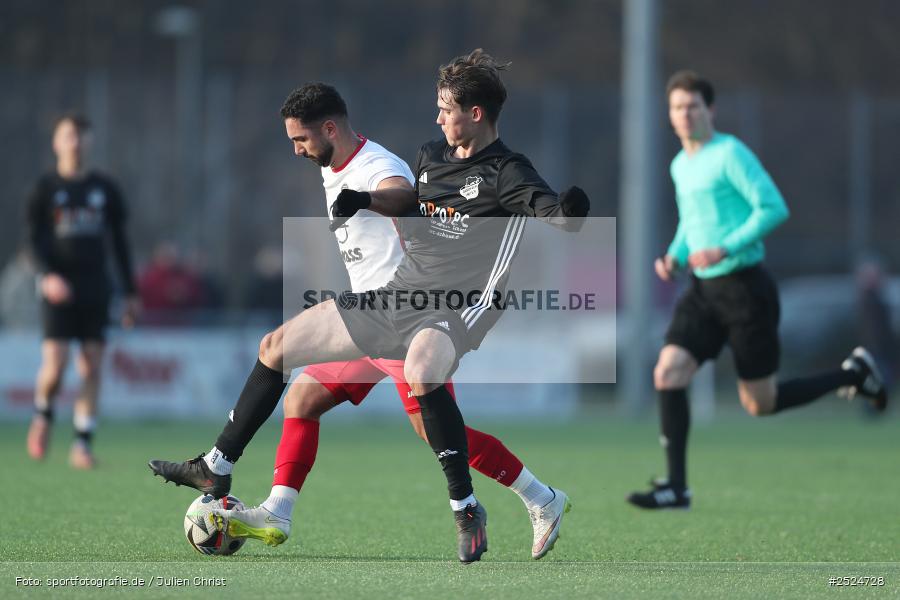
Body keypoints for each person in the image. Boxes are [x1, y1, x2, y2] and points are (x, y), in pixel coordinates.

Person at [150, 50, 589, 563]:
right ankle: (245, 487)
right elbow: (412, 201)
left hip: (447, 309)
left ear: (474, 113)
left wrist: (568, 212)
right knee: (288, 372)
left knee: (430, 414)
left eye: (445, 109)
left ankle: (501, 502)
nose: (437, 118)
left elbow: (544, 211)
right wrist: (365, 203)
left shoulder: (496, 170)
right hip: (389, 301)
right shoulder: (429, 155)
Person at [626, 71, 888, 510]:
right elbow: (692, 221)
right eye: (677, 107)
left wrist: (726, 247)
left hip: (746, 290)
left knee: (760, 403)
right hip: (703, 292)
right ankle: (676, 486)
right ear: (669, 115)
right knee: (668, 371)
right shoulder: (680, 165)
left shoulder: (730, 154)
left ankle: (854, 375)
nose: (685, 114)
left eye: (693, 106)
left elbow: (773, 208)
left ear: (710, 110)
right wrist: (673, 256)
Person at [25, 113, 139, 469]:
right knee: (56, 365)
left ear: (89, 141)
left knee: (92, 367)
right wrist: (47, 275)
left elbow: (119, 243)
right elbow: (33, 240)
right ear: (56, 142)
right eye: (68, 135)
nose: (75, 142)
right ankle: (43, 414)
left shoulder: (105, 188)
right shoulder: (45, 189)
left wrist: (130, 292)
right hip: (58, 286)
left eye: (81, 135)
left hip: (95, 286)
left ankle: (82, 444)